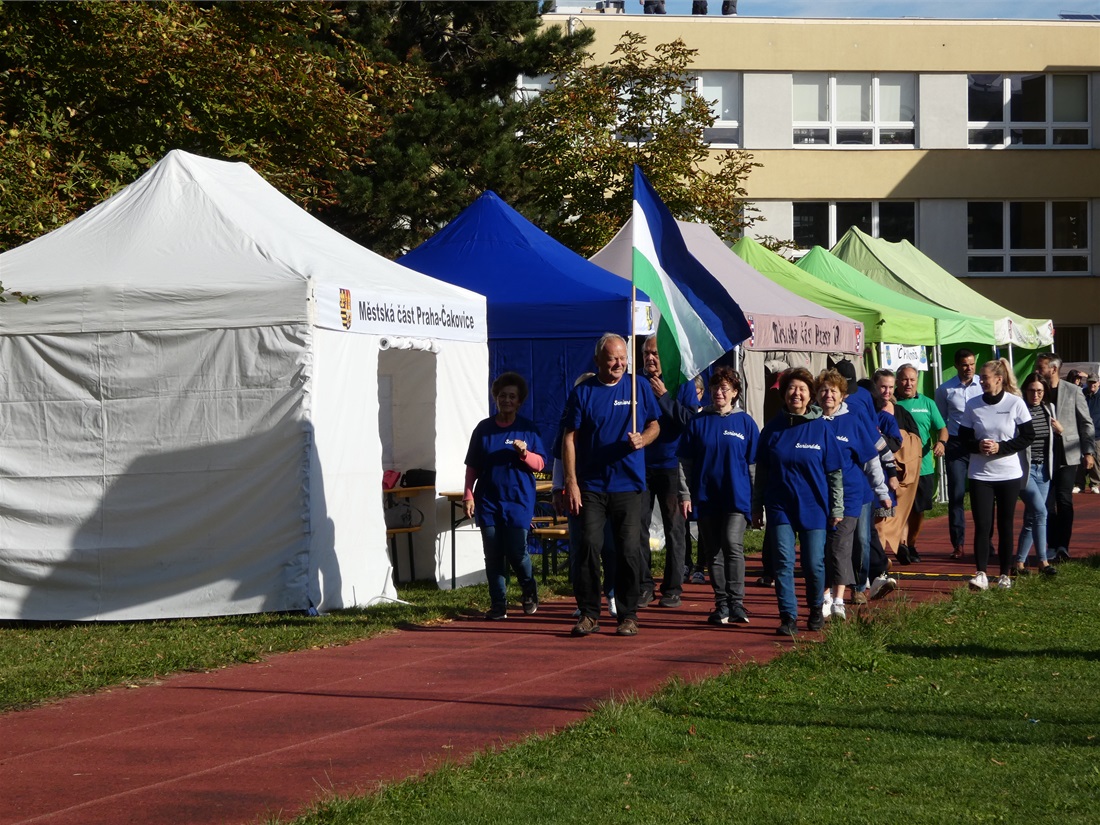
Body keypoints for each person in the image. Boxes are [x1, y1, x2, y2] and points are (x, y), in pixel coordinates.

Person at [563, 333, 660, 637]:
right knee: (588, 547)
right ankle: (589, 613)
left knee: (628, 551)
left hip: (628, 485)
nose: (619, 364)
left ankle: (628, 615)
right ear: (597, 360)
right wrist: (570, 482)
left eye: (623, 358)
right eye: (613, 359)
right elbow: (569, 438)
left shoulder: (638, 386)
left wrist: (643, 439)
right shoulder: (583, 392)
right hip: (591, 486)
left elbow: (655, 425)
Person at [752, 367, 843, 636]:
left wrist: (837, 507)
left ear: (810, 395)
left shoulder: (821, 428)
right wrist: (756, 506)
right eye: (791, 388)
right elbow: (762, 472)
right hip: (780, 506)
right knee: (783, 562)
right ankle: (788, 616)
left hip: (814, 507)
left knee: (814, 564)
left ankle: (815, 608)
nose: (796, 393)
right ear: (784, 394)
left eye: (802, 389)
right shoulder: (772, 429)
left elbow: (834, 473)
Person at [677, 367, 759, 626]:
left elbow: (753, 465)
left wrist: (757, 502)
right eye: (715, 388)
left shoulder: (745, 422)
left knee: (732, 544)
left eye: (725, 388)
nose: (719, 393)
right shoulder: (698, 422)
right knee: (713, 552)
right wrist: (685, 494)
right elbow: (684, 463)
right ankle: (721, 604)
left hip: (736, 496)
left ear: (735, 392)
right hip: (706, 496)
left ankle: (737, 603)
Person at [464, 372, 547, 620]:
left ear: (519, 401)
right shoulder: (483, 429)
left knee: (516, 552)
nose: (507, 400)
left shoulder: (527, 429)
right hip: (488, 501)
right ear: (495, 398)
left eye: (512, 396)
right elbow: (472, 466)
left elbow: (541, 464)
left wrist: (524, 454)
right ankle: (498, 604)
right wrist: (468, 495)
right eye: (502, 396)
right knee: (493, 555)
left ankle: (528, 589)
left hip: (518, 501)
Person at [816, 370, 891, 621]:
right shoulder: (811, 422)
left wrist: (882, 491)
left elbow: (871, 460)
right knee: (820, 550)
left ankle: (838, 599)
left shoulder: (852, 422)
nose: (828, 395)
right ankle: (824, 596)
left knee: (840, 547)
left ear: (842, 396)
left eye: (833, 391)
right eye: (823, 390)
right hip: (817, 497)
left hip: (850, 496)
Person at [958, 359, 1034, 591]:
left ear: (999, 379)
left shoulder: (1015, 403)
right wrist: (978, 446)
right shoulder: (972, 404)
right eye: (981, 377)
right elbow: (963, 438)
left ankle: (1004, 575)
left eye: (985, 377)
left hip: (1008, 474)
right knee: (983, 525)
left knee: (1005, 524)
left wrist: (1002, 448)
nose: (981, 381)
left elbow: (1028, 436)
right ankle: (981, 573)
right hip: (980, 475)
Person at [638, 335, 699, 608]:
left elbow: (690, 421)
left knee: (675, 528)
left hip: (673, 465)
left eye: (655, 353)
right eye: (646, 354)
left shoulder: (682, 382)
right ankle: (644, 585)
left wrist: (664, 397)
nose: (650, 358)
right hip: (640, 464)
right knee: (638, 527)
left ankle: (673, 587)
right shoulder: (636, 383)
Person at [1035, 352, 1096, 561]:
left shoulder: (1073, 391)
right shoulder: (1037, 391)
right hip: (1043, 455)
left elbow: (1086, 423)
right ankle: (1052, 545)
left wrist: (1088, 452)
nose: (1037, 370)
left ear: (1053, 369)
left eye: (1041, 367)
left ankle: (1063, 546)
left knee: (1064, 500)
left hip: (1067, 454)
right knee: (1046, 503)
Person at [893, 362, 947, 564]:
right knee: (899, 508)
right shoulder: (891, 403)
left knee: (918, 510)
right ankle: (902, 545)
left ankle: (911, 543)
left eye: (912, 380)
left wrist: (941, 442)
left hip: (922, 467)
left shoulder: (927, 403)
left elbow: (942, 428)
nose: (908, 383)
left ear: (917, 381)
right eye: (904, 379)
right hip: (897, 467)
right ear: (897, 381)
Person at [935, 348, 983, 560]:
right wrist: (943, 442)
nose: (969, 368)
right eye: (964, 365)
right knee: (956, 495)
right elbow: (941, 420)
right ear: (956, 365)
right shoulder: (945, 389)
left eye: (972, 364)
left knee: (982, 495)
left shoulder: (983, 384)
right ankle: (958, 544)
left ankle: (985, 542)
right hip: (955, 445)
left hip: (979, 443)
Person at [872, 368, 922, 572]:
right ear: (874, 387)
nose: (887, 391)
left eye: (890, 387)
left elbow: (902, 442)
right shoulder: (865, 412)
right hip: (866, 476)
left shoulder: (896, 415)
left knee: (882, 521)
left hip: (889, 474)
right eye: (883, 387)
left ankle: (881, 563)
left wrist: (879, 439)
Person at [1016, 372, 1058, 577]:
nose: (1035, 395)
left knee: (1032, 517)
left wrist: (1060, 430)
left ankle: (1019, 563)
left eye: (1040, 391)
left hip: (1044, 470)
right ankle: (1043, 561)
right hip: (1025, 470)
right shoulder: (1019, 410)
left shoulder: (1049, 409)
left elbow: (1054, 437)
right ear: (1025, 391)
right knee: (1041, 512)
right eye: (1032, 391)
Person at [1084, 373, 1100, 493]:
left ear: (1098, 383)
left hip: (1097, 433)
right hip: (1084, 432)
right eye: (1090, 382)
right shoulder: (1083, 394)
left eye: (1094, 382)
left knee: (1096, 459)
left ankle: (1095, 483)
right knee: (1080, 459)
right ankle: (1079, 483)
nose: (1092, 385)